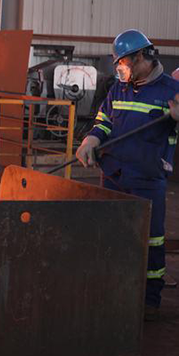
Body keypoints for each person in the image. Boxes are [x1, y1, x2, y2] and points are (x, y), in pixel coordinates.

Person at [76, 29, 179, 321]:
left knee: (150, 240)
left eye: (124, 62)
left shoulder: (170, 92)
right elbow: (104, 120)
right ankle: (113, 291)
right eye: (117, 63)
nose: (121, 69)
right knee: (113, 237)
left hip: (146, 180)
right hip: (112, 175)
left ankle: (149, 299)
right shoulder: (119, 88)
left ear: (142, 57)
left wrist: (176, 117)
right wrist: (92, 140)